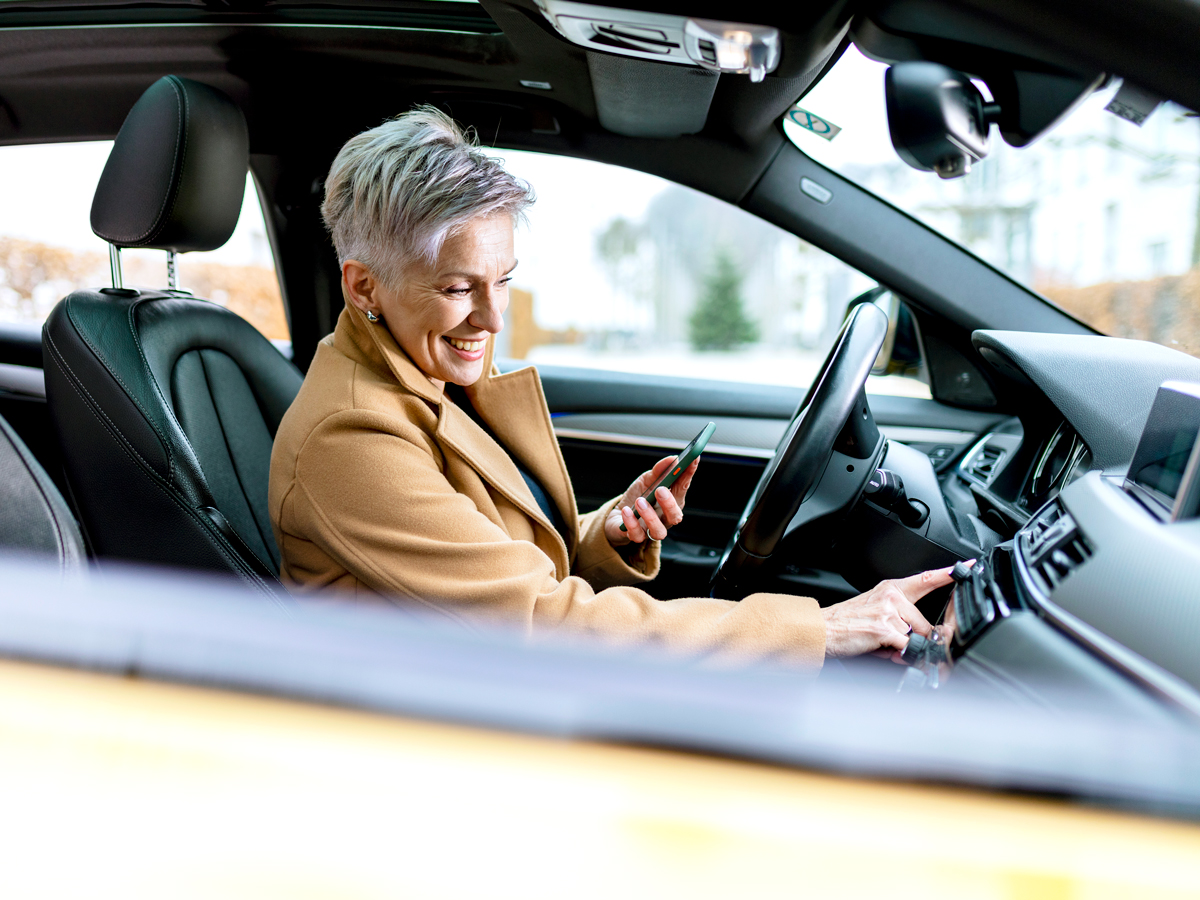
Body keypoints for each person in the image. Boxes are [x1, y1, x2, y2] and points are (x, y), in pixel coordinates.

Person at [268, 106, 957, 668]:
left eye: (503, 279)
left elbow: (500, 569)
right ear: (364, 286)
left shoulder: (427, 374)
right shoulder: (352, 435)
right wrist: (818, 631)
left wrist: (609, 536)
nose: (493, 316)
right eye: (457, 288)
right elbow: (540, 618)